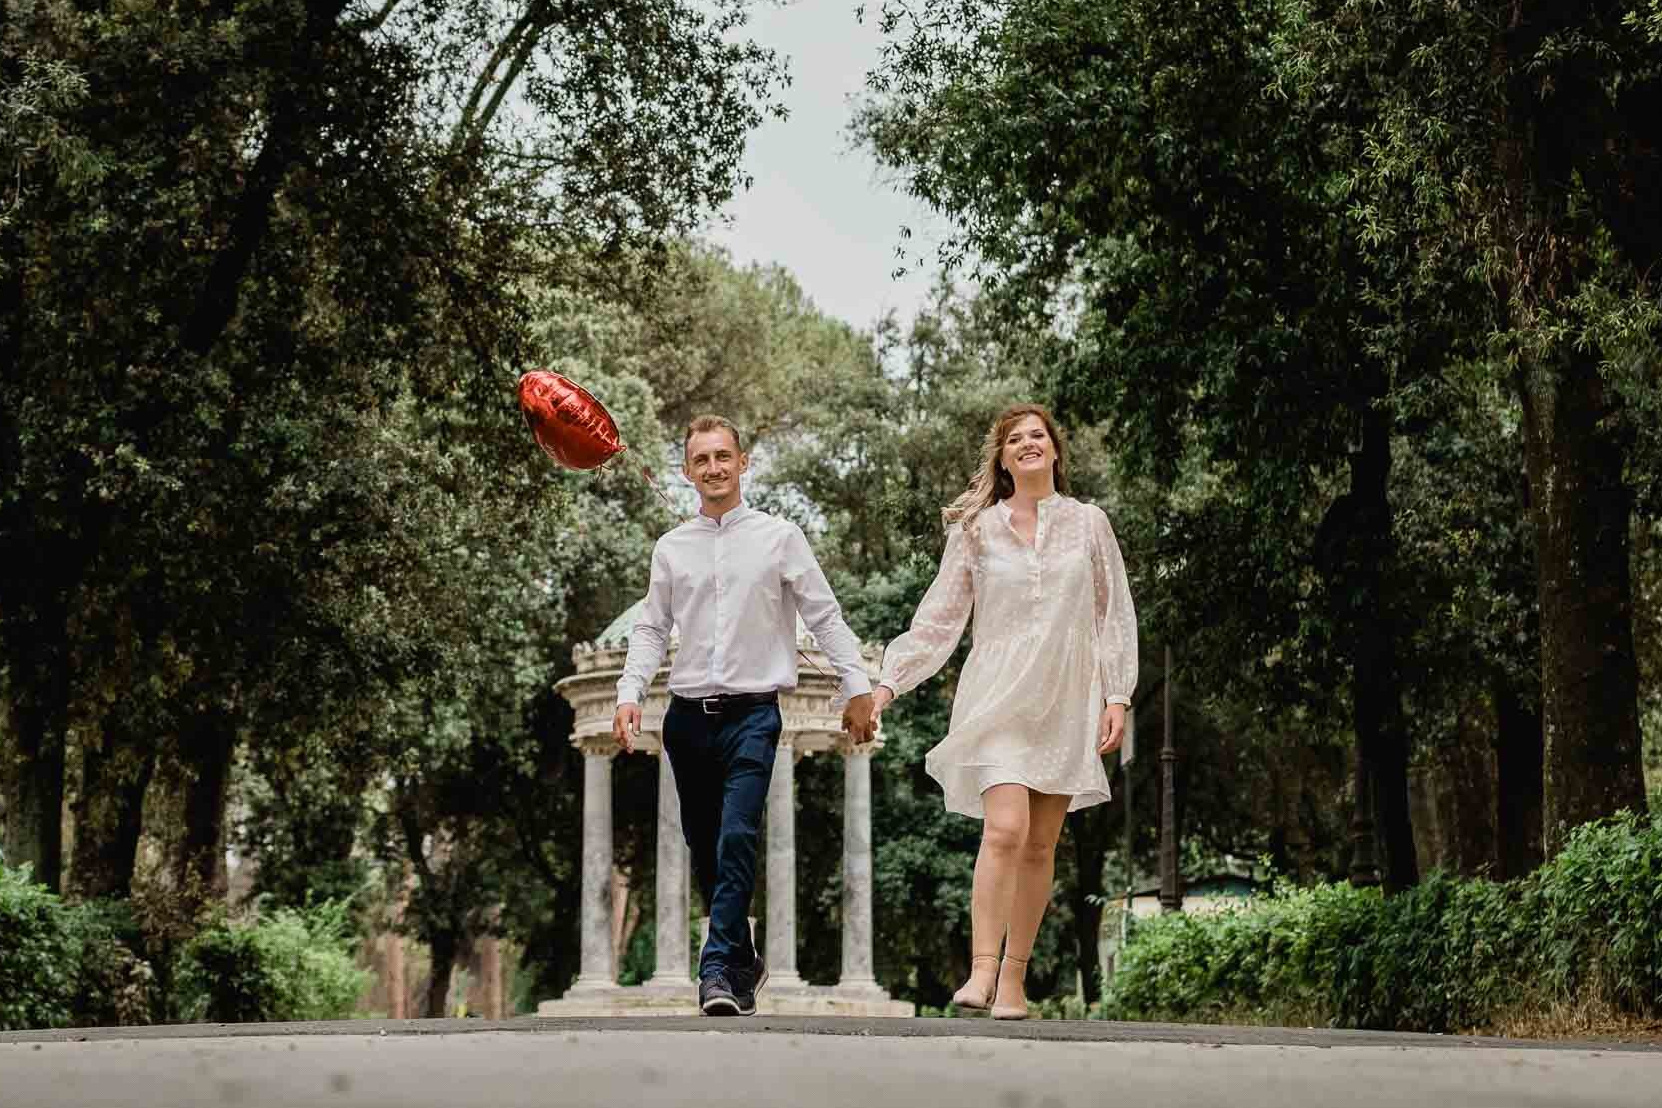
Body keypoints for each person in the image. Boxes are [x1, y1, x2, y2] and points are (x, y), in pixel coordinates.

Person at [871, 404, 1137, 1020]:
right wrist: (888, 684)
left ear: (1055, 450)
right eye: (1014, 439)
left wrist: (1116, 694)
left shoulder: (1089, 524)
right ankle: (981, 970)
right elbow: (938, 620)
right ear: (1002, 457)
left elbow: (1112, 612)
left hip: (1066, 698)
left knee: (1041, 847)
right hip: (997, 696)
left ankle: (1013, 986)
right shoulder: (976, 530)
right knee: (1005, 829)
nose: (1027, 444)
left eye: (1037, 435)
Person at [612, 414, 878, 1017]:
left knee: (738, 836)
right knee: (708, 850)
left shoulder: (780, 538)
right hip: (685, 720)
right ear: (687, 472)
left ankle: (713, 972)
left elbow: (826, 615)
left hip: (754, 715)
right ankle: (743, 956)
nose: (713, 468)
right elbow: (651, 629)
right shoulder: (671, 548)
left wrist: (856, 684)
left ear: (743, 462)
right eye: (701, 459)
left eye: (723, 456)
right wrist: (630, 692)